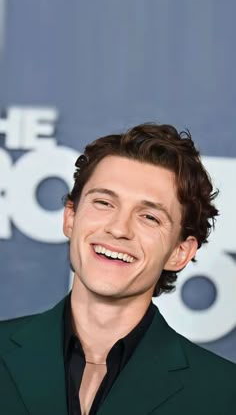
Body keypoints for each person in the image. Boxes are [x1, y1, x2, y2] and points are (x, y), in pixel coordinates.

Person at [1, 123, 236, 415]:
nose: (118, 229)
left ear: (180, 252)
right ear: (70, 218)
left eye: (149, 217)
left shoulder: (224, 394)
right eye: (103, 202)